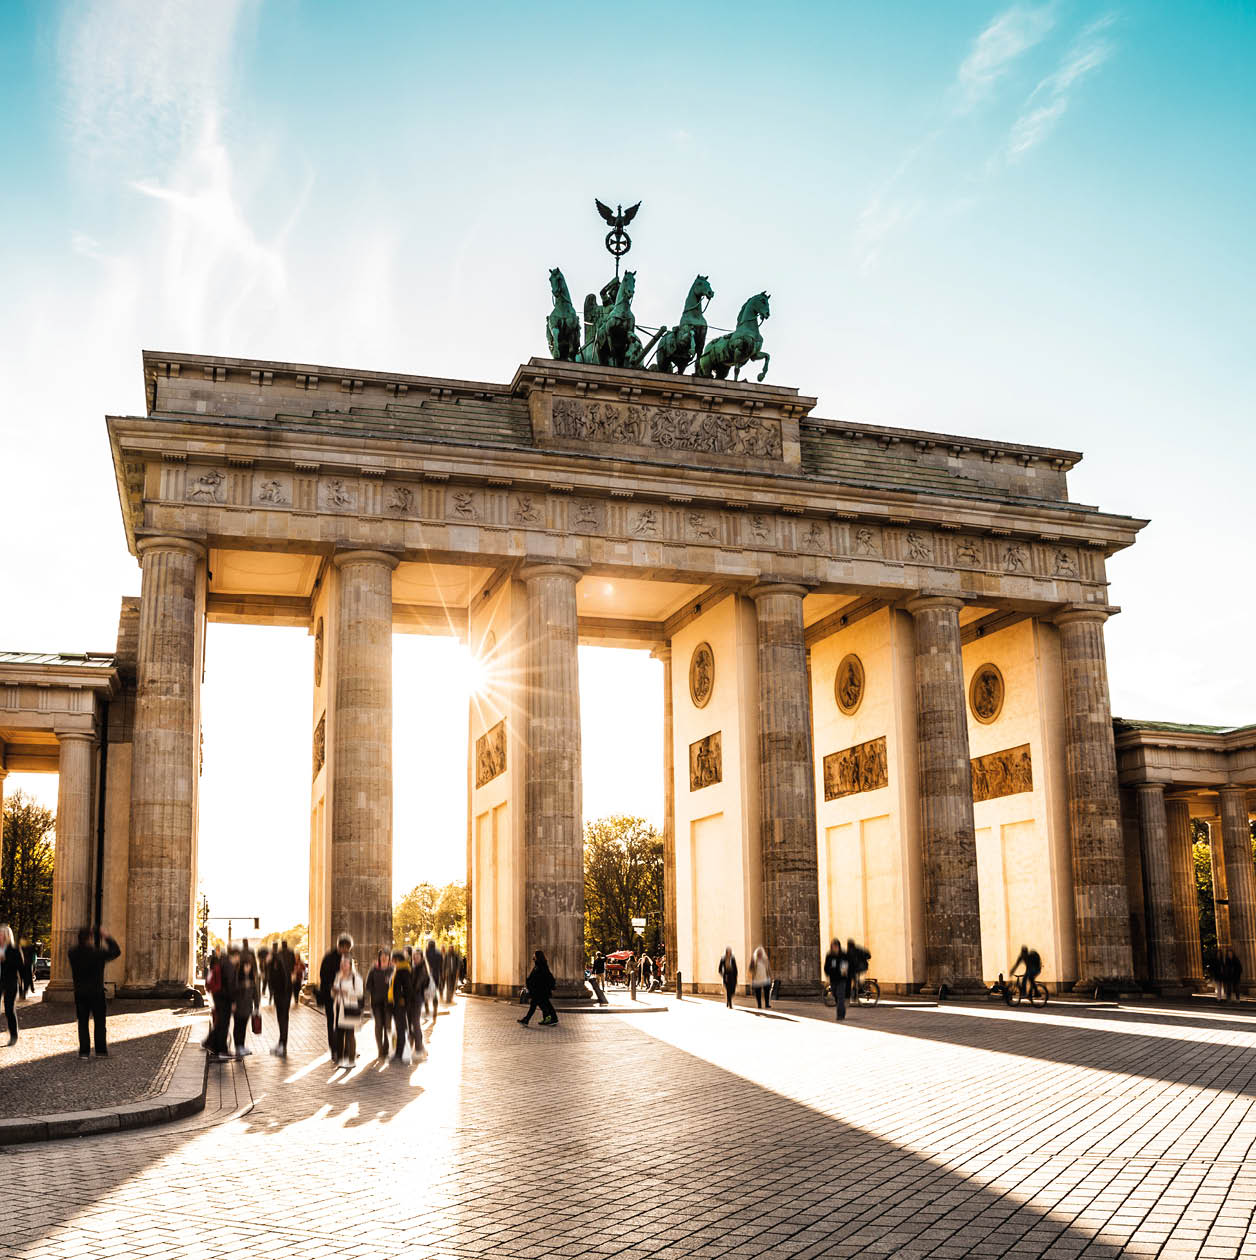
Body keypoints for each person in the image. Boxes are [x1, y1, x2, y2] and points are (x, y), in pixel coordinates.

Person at [68, 927, 122, 1057]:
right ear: (90, 939)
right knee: (99, 1022)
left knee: (82, 1023)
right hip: (96, 992)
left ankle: (84, 1052)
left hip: (80, 992)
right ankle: (101, 1051)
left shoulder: (72, 953)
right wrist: (106, 936)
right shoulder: (97, 953)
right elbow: (116, 951)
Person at [319, 934, 353, 1055]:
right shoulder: (328, 958)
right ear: (340, 946)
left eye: (348, 948)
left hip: (344, 996)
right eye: (345, 948)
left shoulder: (348, 957)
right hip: (330, 995)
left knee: (344, 1022)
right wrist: (332, 987)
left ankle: (345, 1048)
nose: (347, 950)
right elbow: (323, 976)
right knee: (332, 1022)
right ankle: (334, 1049)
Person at [0, 925, 32, 1045]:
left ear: (7, 936)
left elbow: (21, 968)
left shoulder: (14, 949)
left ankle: (13, 1035)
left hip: (10, 982)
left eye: (2, 934)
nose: (0, 936)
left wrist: (5, 959)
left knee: (9, 1009)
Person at [331, 954, 364, 1067]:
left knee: (350, 1034)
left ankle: (351, 1060)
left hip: (350, 1008)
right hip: (339, 1008)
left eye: (345, 964)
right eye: (342, 964)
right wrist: (334, 992)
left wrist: (346, 992)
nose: (343, 966)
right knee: (339, 1035)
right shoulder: (338, 976)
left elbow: (360, 994)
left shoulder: (356, 978)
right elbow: (334, 992)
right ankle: (340, 1060)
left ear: (350, 965)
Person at [389, 948, 421, 1062]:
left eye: (392, 959)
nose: (391, 961)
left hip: (400, 1006)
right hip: (399, 1004)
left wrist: (401, 1000)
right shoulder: (400, 969)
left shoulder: (403, 970)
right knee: (400, 1029)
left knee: (401, 1029)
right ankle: (399, 1053)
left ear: (396, 959)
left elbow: (408, 989)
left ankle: (400, 1054)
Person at [208, 946, 238, 1061]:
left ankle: (214, 1046)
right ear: (235, 956)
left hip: (218, 997)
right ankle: (222, 1050)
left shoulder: (222, 962)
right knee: (224, 1025)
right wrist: (233, 1001)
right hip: (224, 999)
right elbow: (230, 985)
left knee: (220, 1023)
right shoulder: (229, 965)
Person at [365, 949, 393, 1060]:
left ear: (389, 957)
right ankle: (380, 1049)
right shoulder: (373, 969)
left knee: (387, 1025)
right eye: (382, 955)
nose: (384, 957)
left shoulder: (392, 970)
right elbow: (368, 985)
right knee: (378, 1025)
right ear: (379, 957)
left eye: (386, 955)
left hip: (389, 1003)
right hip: (376, 1003)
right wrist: (374, 992)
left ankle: (386, 1048)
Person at [518, 950, 558, 1026]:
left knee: (534, 1005)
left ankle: (526, 1020)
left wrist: (531, 983)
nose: (533, 956)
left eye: (534, 955)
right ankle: (551, 1018)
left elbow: (540, 979)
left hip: (540, 991)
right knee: (546, 1005)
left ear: (537, 956)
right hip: (539, 991)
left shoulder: (541, 966)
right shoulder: (538, 965)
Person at [267, 940, 293, 1056]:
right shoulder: (279, 959)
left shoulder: (276, 961)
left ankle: (282, 1045)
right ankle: (282, 1043)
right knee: (282, 1019)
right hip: (283, 993)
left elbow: (282, 978)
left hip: (282, 994)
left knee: (282, 1019)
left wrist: (280, 993)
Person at [233, 952, 259, 1057]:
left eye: (249, 965)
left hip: (248, 1007)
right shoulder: (237, 976)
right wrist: (243, 985)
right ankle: (238, 1047)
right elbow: (233, 990)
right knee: (238, 1026)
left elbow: (256, 993)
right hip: (239, 1006)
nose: (248, 967)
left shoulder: (252, 977)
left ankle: (241, 1046)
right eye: (246, 965)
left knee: (243, 1027)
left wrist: (256, 1006)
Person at [408, 946, 430, 1053]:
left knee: (415, 1022)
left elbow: (416, 986)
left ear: (421, 958)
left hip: (417, 998)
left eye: (417, 956)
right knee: (413, 1022)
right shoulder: (414, 967)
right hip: (413, 998)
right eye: (414, 956)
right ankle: (419, 1046)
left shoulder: (421, 969)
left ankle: (419, 1047)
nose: (415, 958)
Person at [823, 939, 847, 1021]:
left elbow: (846, 965)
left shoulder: (843, 955)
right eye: (833, 946)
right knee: (835, 995)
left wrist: (844, 972)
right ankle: (842, 1009)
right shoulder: (829, 955)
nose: (835, 948)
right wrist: (828, 973)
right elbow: (826, 967)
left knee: (840, 996)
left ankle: (840, 1015)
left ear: (839, 946)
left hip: (841, 979)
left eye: (836, 946)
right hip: (833, 979)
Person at [424, 938, 444, 1017]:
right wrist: (441, 976)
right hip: (436, 976)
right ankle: (435, 1007)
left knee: (425, 992)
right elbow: (441, 966)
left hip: (427, 976)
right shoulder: (439, 953)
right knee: (434, 992)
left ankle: (427, 1007)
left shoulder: (426, 953)